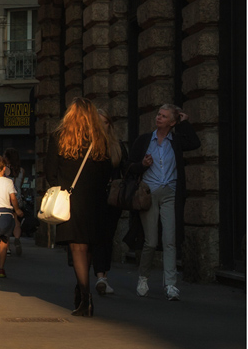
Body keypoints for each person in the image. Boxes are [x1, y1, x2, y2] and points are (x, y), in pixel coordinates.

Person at [44, 97, 113, 316]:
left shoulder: (58, 137)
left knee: (76, 247)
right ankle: (81, 288)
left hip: (70, 200)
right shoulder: (99, 138)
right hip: (94, 201)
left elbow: (50, 173)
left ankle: (85, 297)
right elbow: (107, 172)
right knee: (88, 246)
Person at [129, 103, 200, 301]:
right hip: (148, 194)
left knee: (170, 241)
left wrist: (184, 123)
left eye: (163, 116)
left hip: (170, 193)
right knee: (151, 242)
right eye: (158, 115)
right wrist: (142, 165)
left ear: (172, 122)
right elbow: (130, 167)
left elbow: (195, 143)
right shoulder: (144, 140)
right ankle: (143, 278)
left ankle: (170, 285)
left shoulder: (176, 141)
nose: (158, 118)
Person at [93, 110, 127, 295]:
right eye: (97, 123)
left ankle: (103, 275)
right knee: (98, 237)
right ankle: (100, 276)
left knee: (108, 237)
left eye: (104, 122)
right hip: (94, 198)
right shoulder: (88, 146)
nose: (101, 126)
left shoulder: (118, 146)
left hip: (113, 200)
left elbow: (126, 170)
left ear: (110, 125)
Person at [4, 148, 25, 257]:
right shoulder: (21, 170)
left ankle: (7, 248)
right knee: (16, 221)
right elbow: (20, 185)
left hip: (7, 199)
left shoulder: (5, 170)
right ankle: (17, 239)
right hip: (18, 198)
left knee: (7, 223)